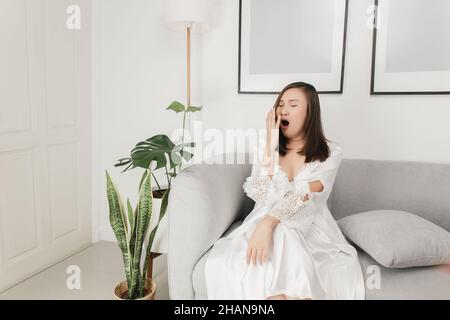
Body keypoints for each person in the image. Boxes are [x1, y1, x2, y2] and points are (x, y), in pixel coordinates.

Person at [204, 82, 365, 300]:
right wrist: (270, 146)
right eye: (280, 104)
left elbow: (305, 197)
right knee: (282, 234)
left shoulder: (331, 153)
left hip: (310, 224)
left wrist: (268, 224)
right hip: (263, 220)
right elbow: (263, 195)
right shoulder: (266, 146)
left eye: (293, 104)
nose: (283, 110)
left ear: (310, 112)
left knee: (285, 231)